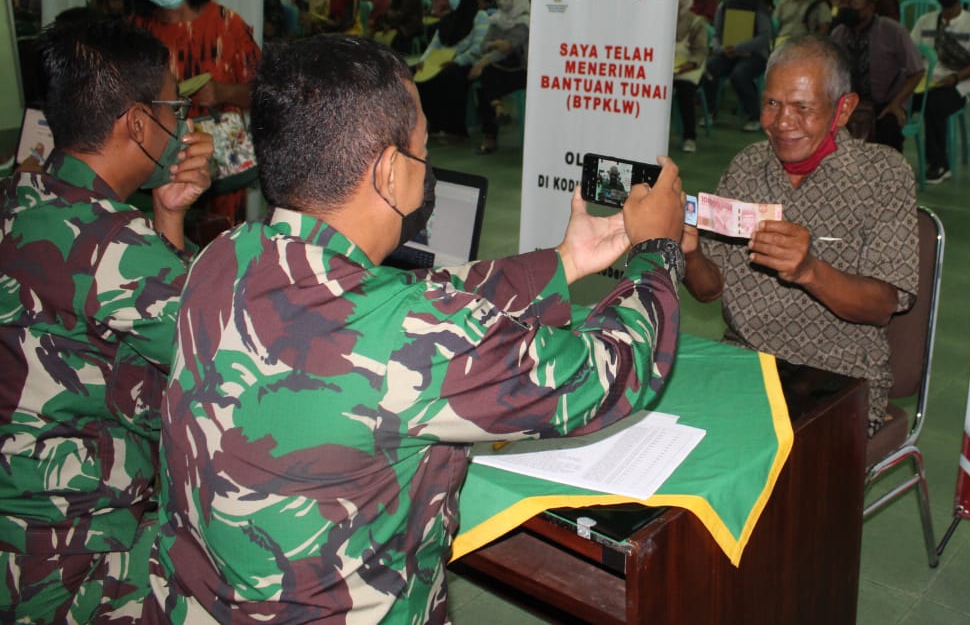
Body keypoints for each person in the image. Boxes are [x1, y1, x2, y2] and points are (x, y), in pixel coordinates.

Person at [148, 35, 687, 623]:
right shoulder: (413, 336)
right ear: (387, 171)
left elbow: (415, 298)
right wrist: (657, 249)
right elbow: (621, 368)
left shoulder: (223, 258)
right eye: (423, 151)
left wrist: (564, 263)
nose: (428, 169)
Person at [0, 18, 214, 624]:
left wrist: (166, 217)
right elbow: (229, 345)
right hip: (64, 565)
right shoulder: (111, 246)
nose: (182, 124)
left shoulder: (18, 194)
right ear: (139, 125)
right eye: (175, 107)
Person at [682, 36, 918, 435]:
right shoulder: (747, 166)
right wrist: (688, 251)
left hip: (838, 378)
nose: (782, 122)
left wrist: (810, 270)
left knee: (753, 461)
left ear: (843, 109)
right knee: (662, 427)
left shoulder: (883, 175)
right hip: (746, 361)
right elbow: (708, 290)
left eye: (803, 108)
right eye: (772, 103)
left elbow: (882, 305)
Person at [129, 0, 260, 225]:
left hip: (221, 165)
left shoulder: (227, 25)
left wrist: (224, 93)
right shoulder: (136, 30)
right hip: (157, 166)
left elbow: (263, 92)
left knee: (220, 245)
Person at [911, 0, 970, 183]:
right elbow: (911, 52)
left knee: (934, 104)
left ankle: (939, 164)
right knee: (895, 100)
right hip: (924, 83)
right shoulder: (924, 21)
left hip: (956, 84)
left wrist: (954, 78)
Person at [830, 0, 925, 151]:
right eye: (843, 2)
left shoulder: (892, 31)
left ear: (870, 7)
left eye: (852, 3)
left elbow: (917, 71)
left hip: (888, 102)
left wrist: (896, 104)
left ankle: (890, 176)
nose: (845, 8)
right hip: (850, 103)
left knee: (889, 129)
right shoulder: (838, 33)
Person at [416, 0, 491, 143]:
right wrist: (423, 60)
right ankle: (432, 126)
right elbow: (434, 44)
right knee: (417, 74)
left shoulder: (480, 16)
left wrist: (457, 61)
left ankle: (456, 131)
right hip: (441, 61)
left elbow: (478, 48)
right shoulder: (448, 19)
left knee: (449, 76)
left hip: (466, 63)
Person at [706, 0, 773, 132]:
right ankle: (710, 112)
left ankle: (755, 116)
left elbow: (764, 37)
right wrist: (719, 48)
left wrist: (738, 48)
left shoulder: (758, 7)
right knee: (710, 68)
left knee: (740, 74)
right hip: (728, 53)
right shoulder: (724, 6)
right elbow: (717, 33)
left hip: (754, 54)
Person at [471, 0, 530, 155]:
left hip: (522, 72)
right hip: (498, 71)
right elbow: (484, 45)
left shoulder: (525, 21)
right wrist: (497, 45)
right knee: (485, 83)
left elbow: (509, 47)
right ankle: (498, 109)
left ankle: (491, 137)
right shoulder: (496, 19)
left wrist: (484, 59)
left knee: (485, 79)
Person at [673, 0, 710, 153]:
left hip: (690, 68)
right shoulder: (661, 19)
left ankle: (689, 137)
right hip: (669, 69)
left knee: (685, 90)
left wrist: (688, 65)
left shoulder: (697, 22)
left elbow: (701, 51)